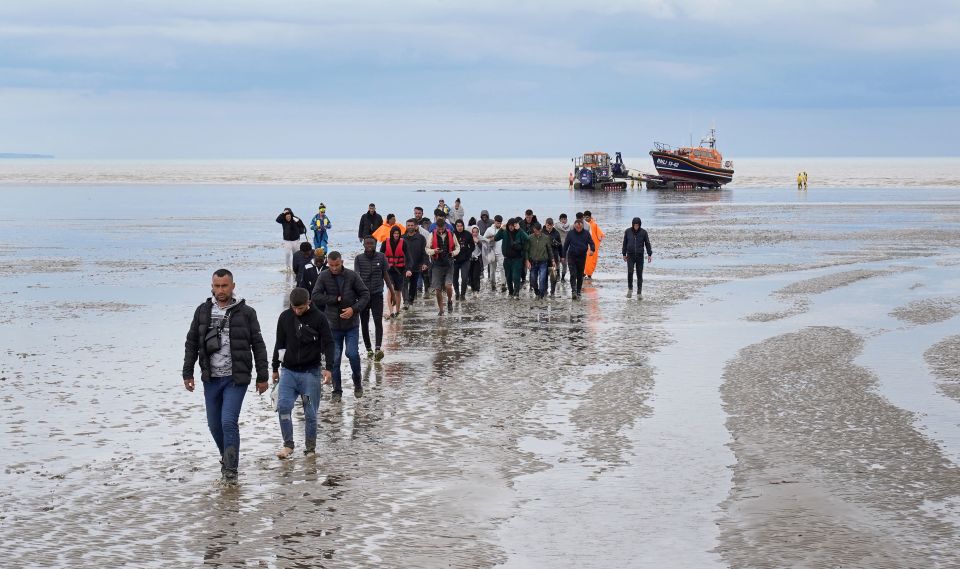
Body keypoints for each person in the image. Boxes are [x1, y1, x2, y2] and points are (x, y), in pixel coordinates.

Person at [182, 269, 269, 485]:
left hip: (235, 378)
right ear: (212, 286)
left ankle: (231, 470)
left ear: (233, 286)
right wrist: (187, 372)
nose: (220, 290)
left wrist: (263, 376)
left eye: (224, 286)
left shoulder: (246, 312)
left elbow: (258, 345)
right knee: (214, 425)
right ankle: (226, 456)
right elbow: (192, 342)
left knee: (228, 421)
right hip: (210, 378)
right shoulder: (203, 311)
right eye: (217, 286)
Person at [271, 287, 334, 459]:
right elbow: (279, 343)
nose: (297, 311)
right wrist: (275, 367)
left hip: (311, 373)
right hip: (288, 372)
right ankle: (288, 445)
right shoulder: (285, 317)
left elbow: (328, 343)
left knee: (310, 413)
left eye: (301, 308)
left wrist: (329, 367)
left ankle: (310, 448)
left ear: (308, 303)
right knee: (283, 406)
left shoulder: (319, 318)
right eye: (294, 308)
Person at [310, 251, 370, 402]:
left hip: (351, 324)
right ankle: (337, 390)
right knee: (335, 359)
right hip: (332, 325)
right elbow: (315, 296)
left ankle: (357, 382)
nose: (334, 268)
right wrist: (333, 299)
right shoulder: (323, 276)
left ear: (342, 262)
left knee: (352, 354)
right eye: (331, 265)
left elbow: (365, 294)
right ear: (327, 263)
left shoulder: (352, 275)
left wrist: (353, 309)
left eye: (337, 265)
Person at [354, 237, 393, 361]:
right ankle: (369, 349)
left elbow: (386, 276)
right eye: (367, 243)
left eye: (372, 243)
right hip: (363, 296)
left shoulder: (381, 257)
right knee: (364, 323)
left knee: (378, 321)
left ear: (376, 244)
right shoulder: (358, 258)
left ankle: (377, 349)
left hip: (377, 294)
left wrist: (392, 291)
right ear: (364, 244)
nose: (369, 245)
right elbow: (356, 278)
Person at [425, 214, 460, 315]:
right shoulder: (431, 235)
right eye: (439, 228)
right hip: (436, 264)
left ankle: (449, 301)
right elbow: (427, 249)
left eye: (442, 228)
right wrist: (434, 251)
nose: (440, 230)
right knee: (437, 289)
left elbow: (458, 248)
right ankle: (441, 310)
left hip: (449, 263)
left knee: (448, 286)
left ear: (445, 226)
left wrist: (453, 253)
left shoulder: (452, 234)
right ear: (436, 227)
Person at [495, 217, 529, 297]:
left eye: (512, 225)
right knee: (508, 277)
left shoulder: (519, 232)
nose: (510, 227)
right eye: (509, 225)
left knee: (516, 276)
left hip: (517, 259)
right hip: (507, 259)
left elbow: (527, 238)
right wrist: (501, 229)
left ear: (515, 225)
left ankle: (516, 293)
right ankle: (511, 292)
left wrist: (520, 229)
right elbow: (496, 238)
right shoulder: (504, 232)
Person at [563, 219, 595, 300]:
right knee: (573, 274)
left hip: (582, 257)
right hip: (571, 256)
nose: (578, 228)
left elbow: (591, 243)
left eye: (580, 227)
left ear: (582, 226)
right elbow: (565, 246)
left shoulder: (586, 233)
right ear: (574, 226)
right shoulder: (570, 233)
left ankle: (578, 292)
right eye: (577, 227)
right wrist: (563, 256)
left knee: (580, 275)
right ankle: (573, 291)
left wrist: (592, 250)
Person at [622, 217, 653, 297]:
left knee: (639, 274)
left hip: (640, 256)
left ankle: (639, 292)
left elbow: (647, 243)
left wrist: (649, 254)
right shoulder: (628, 231)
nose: (636, 227)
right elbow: (624, 243)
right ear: (632, 225)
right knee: (630, 272)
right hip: (630, 255)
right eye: (635, 225)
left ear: (639, 225)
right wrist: (624, 254)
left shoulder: (644, 232)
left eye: (637, 225)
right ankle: (630, 289)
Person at [401, 218, 428, 308]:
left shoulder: (421, 238)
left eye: (412, 225)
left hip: (416, 265)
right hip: (404, 266)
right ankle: (405, 301)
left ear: (415, 226)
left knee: (413, 285)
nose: (410, 227)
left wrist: (425, 263)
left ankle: (411, 301)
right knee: (404, 284)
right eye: (408, 225)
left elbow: (425, 252)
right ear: (406, 226)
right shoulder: (402, 238)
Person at [381, 225, 406, 318]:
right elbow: (380, 256)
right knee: (390, 290)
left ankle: (398, 310)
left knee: (398, 292)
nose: (396, 235)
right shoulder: (385, 243)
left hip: (399, 270)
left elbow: (408, 256)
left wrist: (408, 269)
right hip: (388, 271)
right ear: (391, 234)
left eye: (398, 233)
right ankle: (391, 311)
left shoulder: (403, 243)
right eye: (395, 233)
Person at [524, 222, 554, 300]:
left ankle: (541, 295)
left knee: (542, 279)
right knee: (533, 279)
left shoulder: (546, 238)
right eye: (534, 230)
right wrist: (527, 261)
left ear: (540, 229)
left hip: (543, 262)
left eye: (537, 230)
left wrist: (553, 260)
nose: (536, 232)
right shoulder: (530, 238)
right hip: (533, 262)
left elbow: (549, 250)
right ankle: (536, 292)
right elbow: (526, 250)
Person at [452, 219, 475, 300]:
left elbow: (472, 246)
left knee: (464, 277)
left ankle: (463, 294)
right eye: (458, 226)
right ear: (455, 227)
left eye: (461, 226)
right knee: (455, 278)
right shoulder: (452, 234)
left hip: (465, 260)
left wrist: (468, 254)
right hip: (454, 260)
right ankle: (457, 293)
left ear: (463, 226)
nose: (459, 228)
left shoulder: (468, 234)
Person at [482, 214, 504, 291]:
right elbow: (483, 240)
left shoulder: (503, 229)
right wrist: (491, 238)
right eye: (497, 223)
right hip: (492, 252)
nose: (499, 224)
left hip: (501, 252)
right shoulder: (489, 229)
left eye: (500, 223)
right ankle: (493, 284)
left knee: (502, 268)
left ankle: (503, 284)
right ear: (494, 221)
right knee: (492, 270)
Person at [543, 218, 563, 296]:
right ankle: (545, 290)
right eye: (548, 225)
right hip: (544, 257)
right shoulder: (542, 232)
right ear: (545, 224)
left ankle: (552, 291)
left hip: (554, 257)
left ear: (553, 225)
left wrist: (562, 256)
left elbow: (560, 245)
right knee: (544, 276)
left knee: (553, 276)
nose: (549, 227)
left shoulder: (556, 233)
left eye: (551, 225)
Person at [583, 210, 604, 279]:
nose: (586, 219)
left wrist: (599, 239)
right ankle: (583, 273)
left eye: (587, 217)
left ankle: (589, 274)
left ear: (590, 217)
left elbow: (600, 234)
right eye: (585, 217)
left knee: (591, 261)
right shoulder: (582, 224)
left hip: (592, 246)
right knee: (583, 260)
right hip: (584, 246)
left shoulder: (594, 225)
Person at [555, 213, 571, 282]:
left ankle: (563, 277)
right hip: (558, 247)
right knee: (557, 262)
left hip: (566, 248)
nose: (563, 220)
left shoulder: (570, 227)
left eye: (565, 219)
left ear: (566, 219)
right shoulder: (556, 226)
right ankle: (558, 275)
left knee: (565, 263)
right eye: (562, 219)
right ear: (559, 219)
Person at [468, 225, 484, 292]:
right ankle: (472, 288)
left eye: (476, 232)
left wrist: (478, 242)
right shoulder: (468, 238)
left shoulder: (480, 238)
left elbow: (484, 248)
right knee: (470, 275)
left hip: (477, 260)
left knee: (476, 276)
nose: (475, 233)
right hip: (469, 260)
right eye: (473, 232)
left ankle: (477, 290)